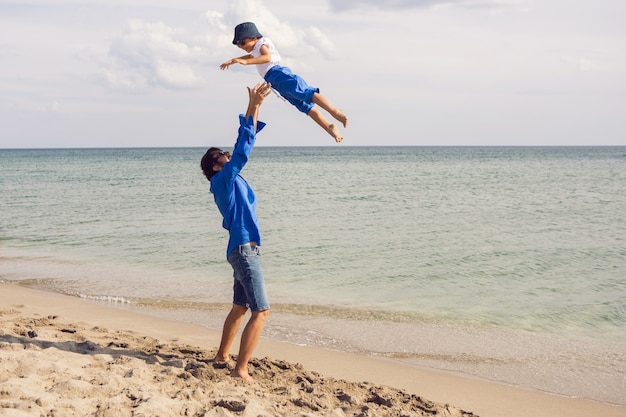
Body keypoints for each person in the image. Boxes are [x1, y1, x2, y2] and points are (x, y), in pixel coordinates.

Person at [200, 82, 272, 382]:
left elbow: (244, 141)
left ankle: (221, 356)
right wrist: (254, 106)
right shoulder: (222, 181)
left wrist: (255, 107)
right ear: (217, 167)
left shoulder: (230, 179)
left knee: (240, 307)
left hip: (243, 249)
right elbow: (243, 147)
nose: (229, 156)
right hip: (243, 250)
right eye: (223, 155)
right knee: (261, 311)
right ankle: (240, 369)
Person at [220, 21, 348, 143]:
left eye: (242, 42)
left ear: (253, 37)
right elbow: (251, 56)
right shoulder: (255, 49)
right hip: (275, 82)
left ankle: (334, 111)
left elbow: (267, 57)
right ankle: (328, 127)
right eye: (238, 44)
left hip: (279, 74)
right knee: (304, 107)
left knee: (306, 93)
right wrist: (235, 59)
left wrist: (245, 62)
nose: (241, 47)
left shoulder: (261, 44)